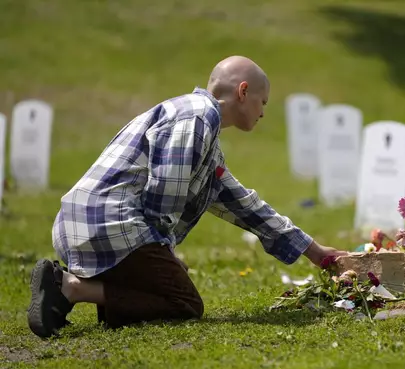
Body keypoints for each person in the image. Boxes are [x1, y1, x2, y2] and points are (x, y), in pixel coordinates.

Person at [27, 55, 348, 338]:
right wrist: (167, 254)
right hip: (110, 226)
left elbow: (244, 204)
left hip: (83, 226)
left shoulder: (199, 129)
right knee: (184, 303)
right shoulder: (197, 117)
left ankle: (84, 296)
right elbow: (164, 193)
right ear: (243, 91)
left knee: (165, 289)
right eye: (263, 102)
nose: (263, 112)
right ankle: (68, 287)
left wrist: (315, 252)